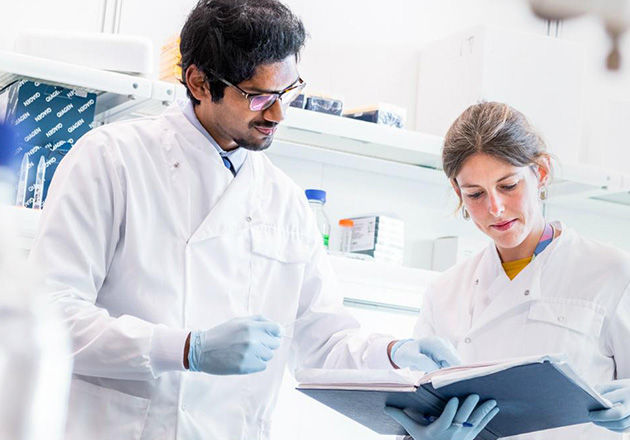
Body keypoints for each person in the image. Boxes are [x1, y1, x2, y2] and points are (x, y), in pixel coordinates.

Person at [27, 1, 488, 439]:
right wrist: (186, 349)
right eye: (259, 96)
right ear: (199, 82)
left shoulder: (284, 200)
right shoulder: (112, 159)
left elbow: (324, 343)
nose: (278, 113)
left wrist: (394, 355)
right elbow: (47, 319)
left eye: (288, 91)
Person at [410, 101, 630, 439]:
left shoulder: (611, 272)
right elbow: (419, 402)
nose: (495, 208)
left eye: (508, 186)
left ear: (540, 172)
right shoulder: (445, 291)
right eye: (475, 194)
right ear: (457, 191)